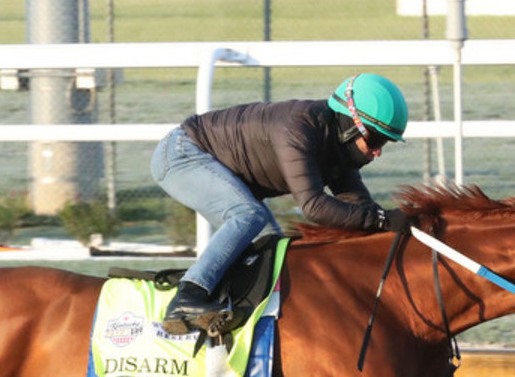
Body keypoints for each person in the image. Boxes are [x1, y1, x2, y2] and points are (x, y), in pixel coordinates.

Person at [151, 72, 412, 335]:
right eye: (376, 140)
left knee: (272, 255)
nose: (378, 151)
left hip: (212, 165)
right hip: (182, 153)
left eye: (385, 143)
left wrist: (399, 227)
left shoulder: (339, 148)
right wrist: (383, 219)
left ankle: (235, 322)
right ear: (351, 125)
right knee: (249, 215)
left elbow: (360, 211)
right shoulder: (298, 129)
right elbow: (314, 206)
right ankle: (188, 296)